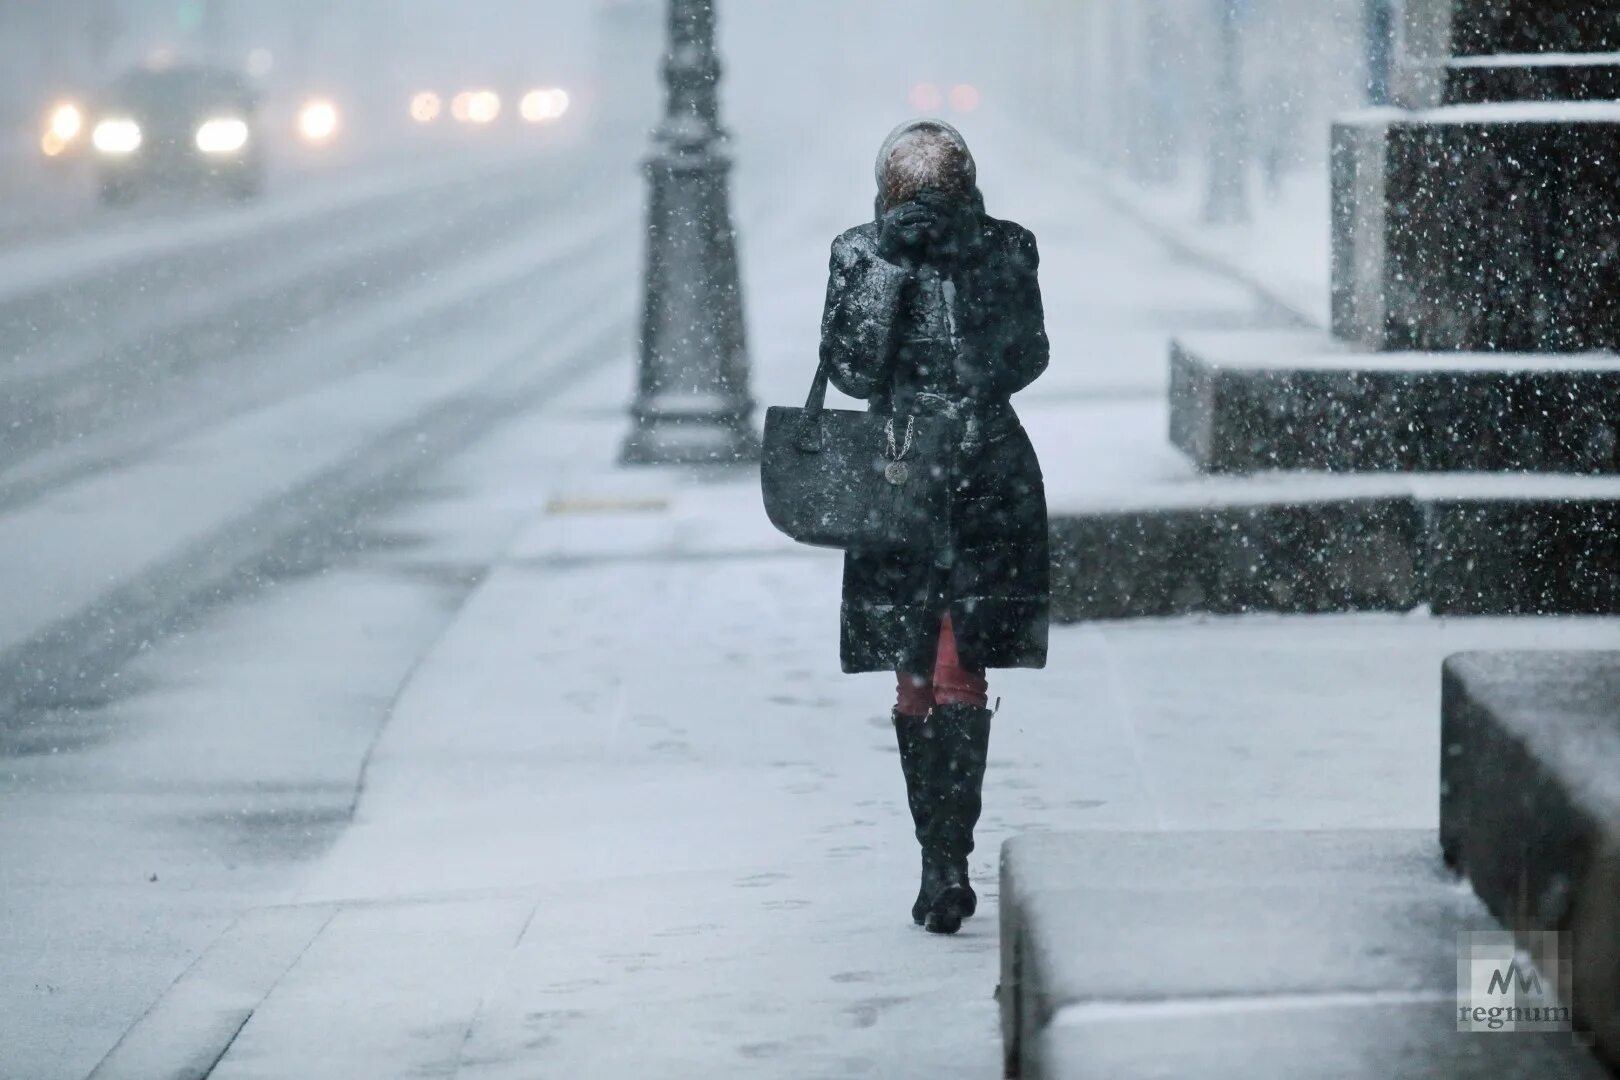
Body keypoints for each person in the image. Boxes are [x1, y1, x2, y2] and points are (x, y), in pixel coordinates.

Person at [818, 119, 1051, 934]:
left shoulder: (1007, 246)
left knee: (958, 669)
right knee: (916, 670)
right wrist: (891, 265)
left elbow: (1026, 359)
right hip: (898, 486)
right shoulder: (859, 252)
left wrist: (968, 262)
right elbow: (850, 369)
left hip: (986, 482)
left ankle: (948, 861)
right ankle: (937, 858)